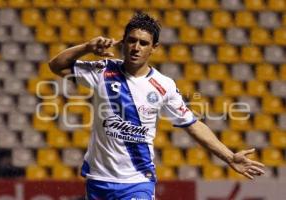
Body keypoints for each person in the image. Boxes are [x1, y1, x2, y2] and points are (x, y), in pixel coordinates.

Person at [49, 12, 265, 200]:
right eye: (131, 41)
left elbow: (192, 124)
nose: (136, 47)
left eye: (143, 43)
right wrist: (86, 47)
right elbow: (56, 66)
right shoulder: (102, 70)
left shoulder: (163, 85)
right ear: (122, 42)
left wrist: (229, 157)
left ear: (154, 48)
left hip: (138, 180)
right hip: (99, 179)